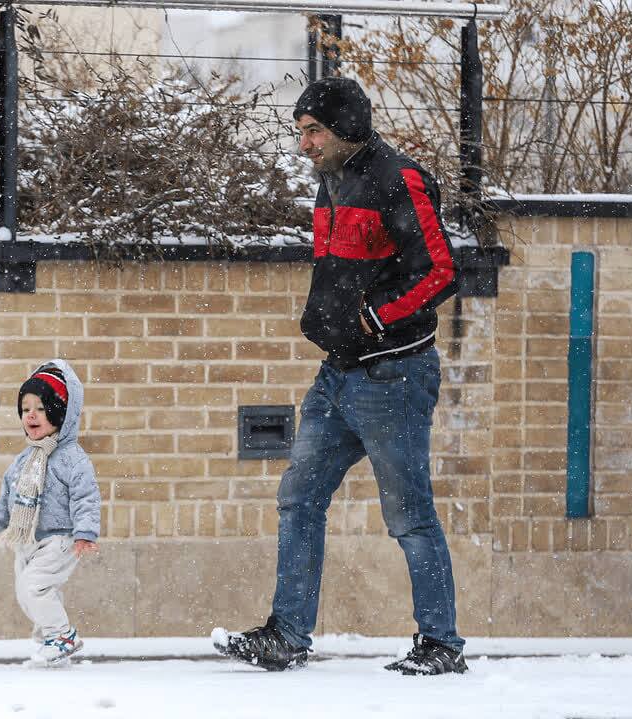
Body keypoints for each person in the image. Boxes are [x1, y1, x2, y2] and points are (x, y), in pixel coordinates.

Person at [213, 76, 466, 675]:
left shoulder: (397, 180)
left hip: (394, 377)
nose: (304, 144)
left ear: (347, 128)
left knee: (409, 516)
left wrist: (374, 319)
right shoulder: (331, 182)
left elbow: (439, 273)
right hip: (337, 376)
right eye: (300, 132)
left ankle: (441, 644)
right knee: (298, 499)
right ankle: (287, 636)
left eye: (314, 131)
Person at [0, 359, 100, 667]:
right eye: (26, 408)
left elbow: (86, 497)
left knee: (35, 586)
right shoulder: (23, 461)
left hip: (61, 539)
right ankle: (51, 642)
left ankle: (63, 636)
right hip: (27, 538)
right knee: (27, 593)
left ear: (61, 414)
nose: (31, 415)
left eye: (41, 408)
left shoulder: (72, 459)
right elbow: (6, 503)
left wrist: (84, 532)